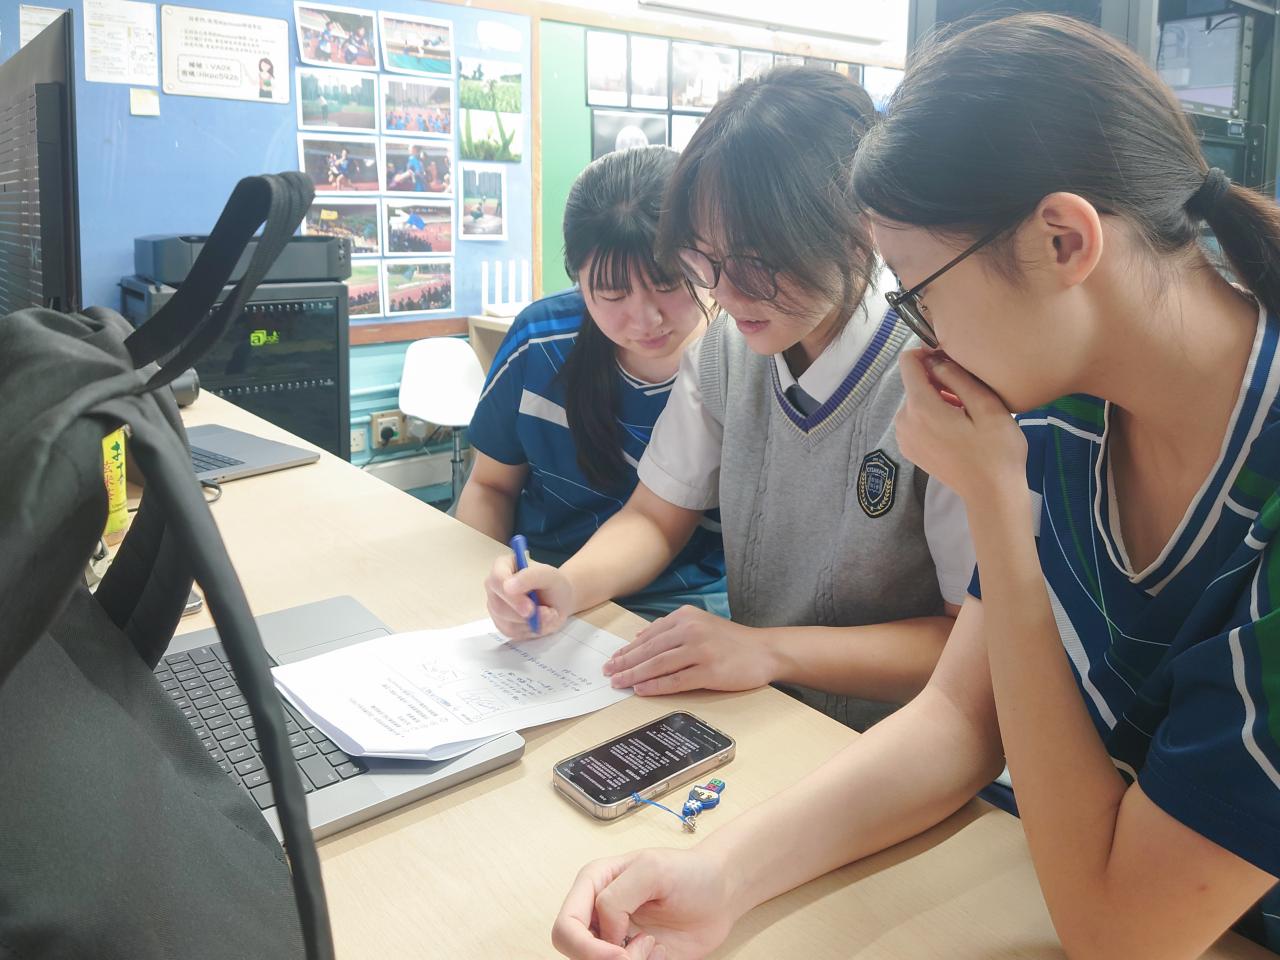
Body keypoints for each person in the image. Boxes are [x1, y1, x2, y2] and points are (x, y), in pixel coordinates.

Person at [550, 14, 1280, 959]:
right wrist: (721, 876)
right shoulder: (1066, 401)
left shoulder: (1049, 414)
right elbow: (960, 717)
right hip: (1053, 871)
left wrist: (997, 515)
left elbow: (1121, 934)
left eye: (918, 290)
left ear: (1064, 242)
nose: (916, 338)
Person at [486, 67, 973, 730]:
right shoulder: (727, 350)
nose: (725, 294)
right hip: (756, 707)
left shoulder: (938, 375)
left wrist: (767, 650)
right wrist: (568, 585)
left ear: (860, 229)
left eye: (755, 264)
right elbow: (656, 516)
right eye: (700, 262)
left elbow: (968, 644)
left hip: (890, 737)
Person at [456, 146, 728, 620]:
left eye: (668, 283)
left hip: (680, 606)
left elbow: (655, 523)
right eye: (612, 293)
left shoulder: (736, 360)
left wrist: (563, 590)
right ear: (577, 281)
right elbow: (490, 486)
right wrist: (493, 590)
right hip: (541, 580)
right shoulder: (540, 342)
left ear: (708, 257)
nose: (646, 319)